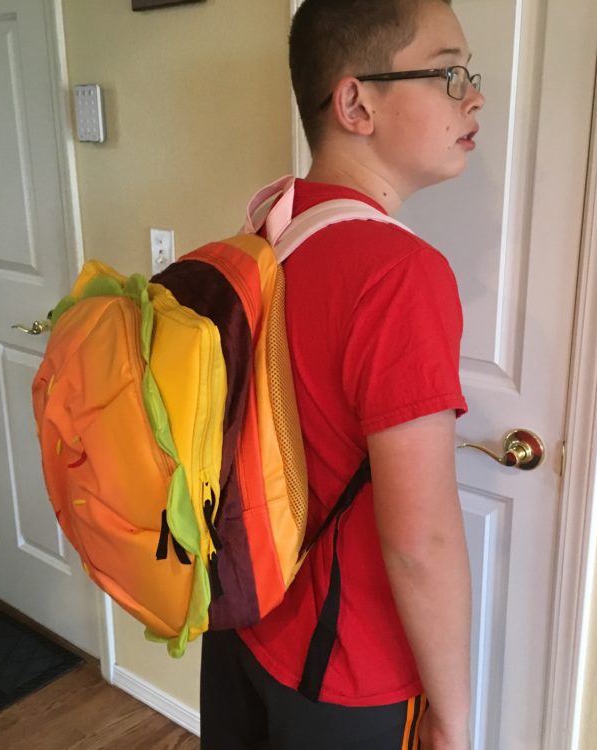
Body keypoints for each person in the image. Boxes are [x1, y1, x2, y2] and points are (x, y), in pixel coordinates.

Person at [200, 1, 483, 747]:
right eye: (450, 73)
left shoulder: (268, 224)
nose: (474, 97)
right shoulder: (400, 275)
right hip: (345, 673)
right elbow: (420, 541)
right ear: (356, 102)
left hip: (242, 619)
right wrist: (453, 720)